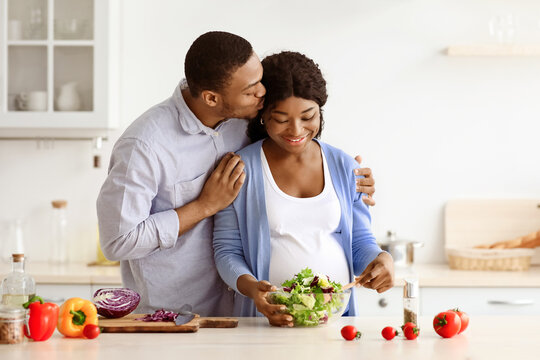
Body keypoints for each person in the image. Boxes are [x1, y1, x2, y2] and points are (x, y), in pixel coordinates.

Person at [96, 32, 376, 317]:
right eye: (252, 89)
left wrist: (348, 180)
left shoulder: (245, 120)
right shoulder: (145, 145)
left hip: (241, 313)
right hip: (174, 314)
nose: (263, 93)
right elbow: (117, 242)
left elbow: (297, 140)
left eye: (260, 80)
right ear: (212, 98)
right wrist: (203, 206)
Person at [213, 51, 394, 326]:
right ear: (262, 115)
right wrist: (252, 289)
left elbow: (359, 242)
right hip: (268, 320)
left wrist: (381, 259)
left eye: (308, 116)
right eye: (282, 119)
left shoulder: (345, 166)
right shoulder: (241, 169)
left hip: (336, 321)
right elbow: (227, 251)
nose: (296, 130)